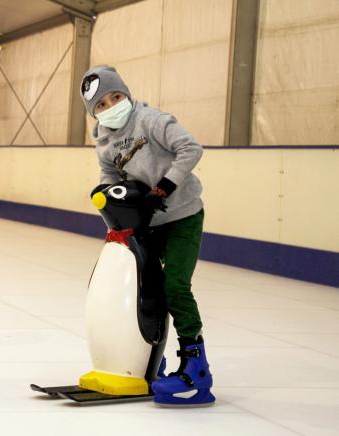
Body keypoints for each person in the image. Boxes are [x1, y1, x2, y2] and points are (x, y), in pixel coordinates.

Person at [80, 65, 215, 406]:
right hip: (147, 222)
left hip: (183, 216)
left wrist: (163, 188)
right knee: (147, 289)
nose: (111, 106)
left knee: (175, 287)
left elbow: (191, 149)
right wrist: (112, 206)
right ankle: (151, 360)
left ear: (126, 93)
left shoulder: (152, 121)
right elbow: (109, 175)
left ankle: (195, 366)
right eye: (101, 105)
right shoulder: (105, 143)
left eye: (116, 97)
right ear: (94, 113)